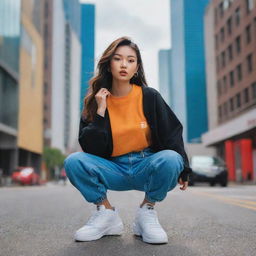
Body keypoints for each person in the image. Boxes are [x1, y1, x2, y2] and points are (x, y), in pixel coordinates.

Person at [64, 36, 192, 244]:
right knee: (74, 161)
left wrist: (184, 168)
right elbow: (90, 148)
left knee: (171, 158)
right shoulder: (96, 101)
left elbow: (172, 132)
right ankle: (106, 214)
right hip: (113, 168)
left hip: (145, 164)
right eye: (118, 59)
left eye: (131, 60)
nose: (124, 64)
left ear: (137, 67)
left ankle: (146, 212)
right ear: (109, 64)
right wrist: (100, 112)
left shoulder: (149, 96)